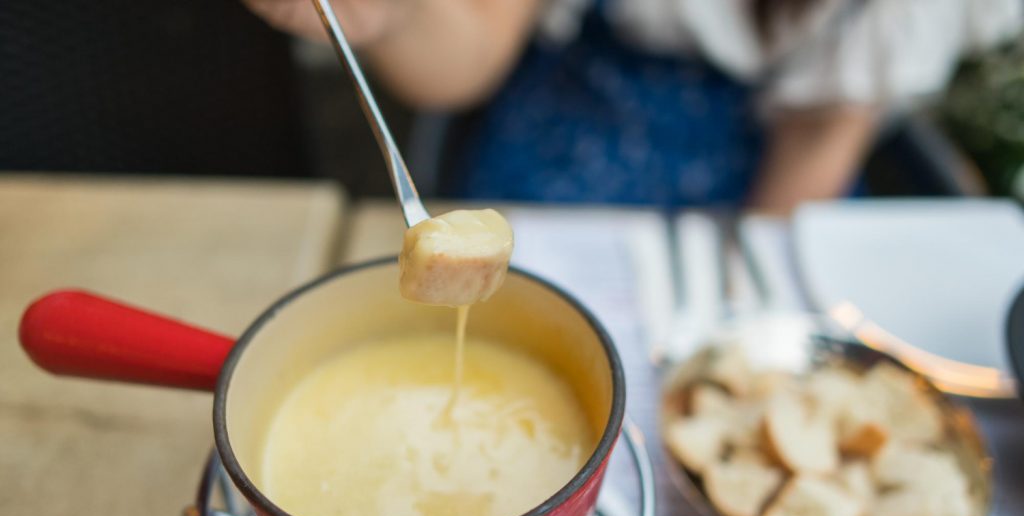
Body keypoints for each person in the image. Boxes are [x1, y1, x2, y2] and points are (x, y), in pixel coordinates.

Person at [243, 0, 1022, 214]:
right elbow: (468, 58)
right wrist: (394, 15)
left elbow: (820, 139)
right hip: (558, 143)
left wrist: (738, 328)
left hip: (763, 184)